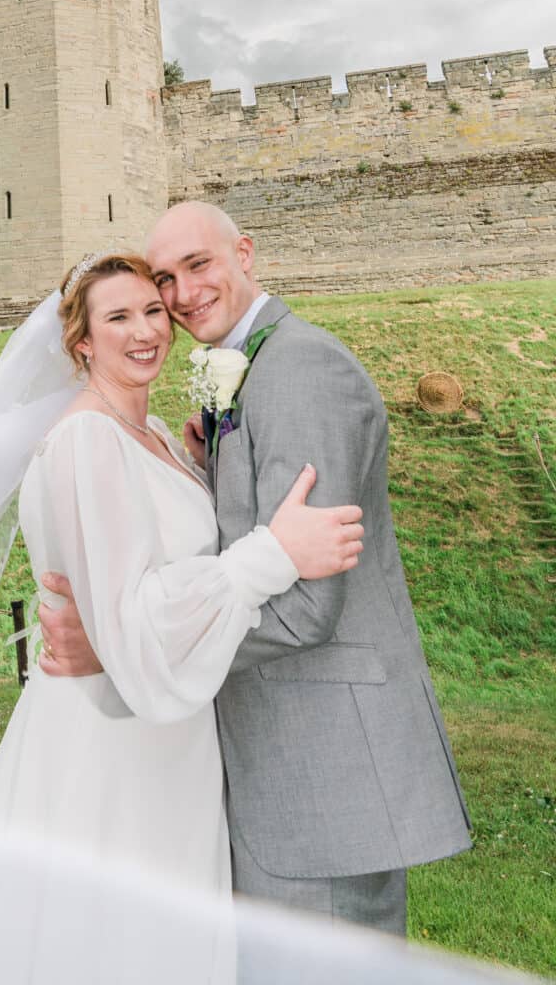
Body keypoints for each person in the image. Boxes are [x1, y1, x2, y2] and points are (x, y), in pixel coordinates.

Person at [0, 251, 364, 979]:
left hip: (171, 736)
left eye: (152, 312)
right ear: (81, 342)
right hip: (110, 737)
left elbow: (153, 573)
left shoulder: (158, 436)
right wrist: (275, 553)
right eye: (118, 318)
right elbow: (133, 621)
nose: (145, 332)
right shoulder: (84, 441)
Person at [39, 203, 472, 938]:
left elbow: (308, 607)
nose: (178, 298)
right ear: (81, 342)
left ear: (244, 253)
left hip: (319, 760)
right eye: (164, 280)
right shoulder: (235, 374)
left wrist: (127, 653)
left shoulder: (301, 368)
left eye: (196, 268)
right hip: (267, 757)